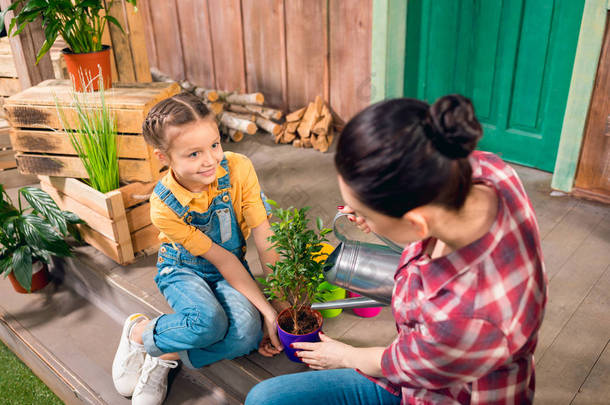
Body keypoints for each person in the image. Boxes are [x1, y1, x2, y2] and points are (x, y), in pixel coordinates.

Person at [245, 95, 547, 405]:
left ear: (416, 223)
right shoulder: (484, 171)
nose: (355, 215)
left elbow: (404, 364)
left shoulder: (470, 316)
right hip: (424, 370)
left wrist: (345, 355)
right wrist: (378, 215)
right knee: (264, 398)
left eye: (363, 212)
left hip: (440, 395)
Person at [111, 92, 283, 405]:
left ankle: (167, 349)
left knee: (247, 334)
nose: (210, 160)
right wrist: (268, 310)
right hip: (181, 268)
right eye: (193, 154)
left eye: (215, 145)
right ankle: (139, 334)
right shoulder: (163, 205)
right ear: (163, 157)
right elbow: (220, 257)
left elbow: (263, 234)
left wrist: (278, 305)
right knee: (210, 322)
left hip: (229, 268)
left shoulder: (239, 169)